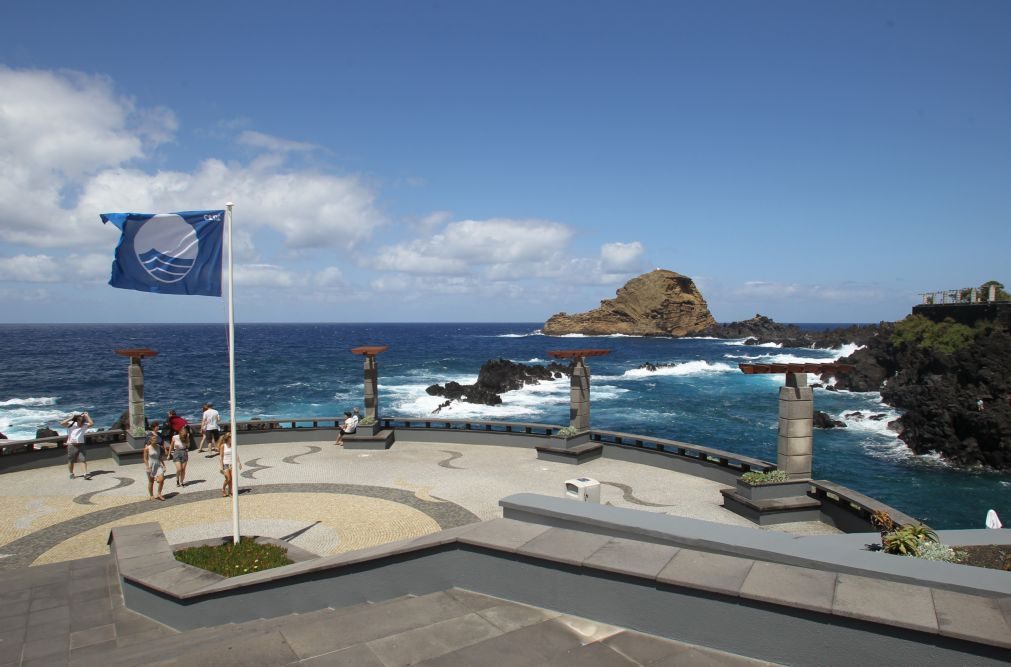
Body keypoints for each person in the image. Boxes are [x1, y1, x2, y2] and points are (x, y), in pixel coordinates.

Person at [59, 412, 93, 479]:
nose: (82, 422)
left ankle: (85, 474)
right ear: (77, 420)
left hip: (81, 445)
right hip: (72, 445)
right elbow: (62, 423)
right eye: (81, 420)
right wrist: (71, 418)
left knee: (82, 460)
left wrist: (87, 416)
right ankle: (71, 473)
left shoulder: (84, 425)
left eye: (83, 420)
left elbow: (91, 423)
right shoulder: (71, 425)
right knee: (71, 460)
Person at [143, 432, 166, 501]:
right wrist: (147, 467)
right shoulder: (147, 448)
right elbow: (145, 458)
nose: (155, 440)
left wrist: (164, 465)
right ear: (150, 440)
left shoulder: (158, 447)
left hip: (158, 465)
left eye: (156, 439)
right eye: (153, 439)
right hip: (151, 465)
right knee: (151, 482)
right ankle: (151, 495)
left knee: (162, 480)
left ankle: (159, 493)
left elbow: (160, 457)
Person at [219, 432, 240, 497]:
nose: (232, 438)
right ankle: (223, 489)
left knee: (232, 479)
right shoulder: (223, 446)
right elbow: (221, 456)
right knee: (228, 478)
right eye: (230, 437)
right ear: (228, 438)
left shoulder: (233, 445)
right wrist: (221, 466)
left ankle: (230, 492)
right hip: (226, 463)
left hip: (232, 463)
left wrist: (239, 463)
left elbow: (236, 454)